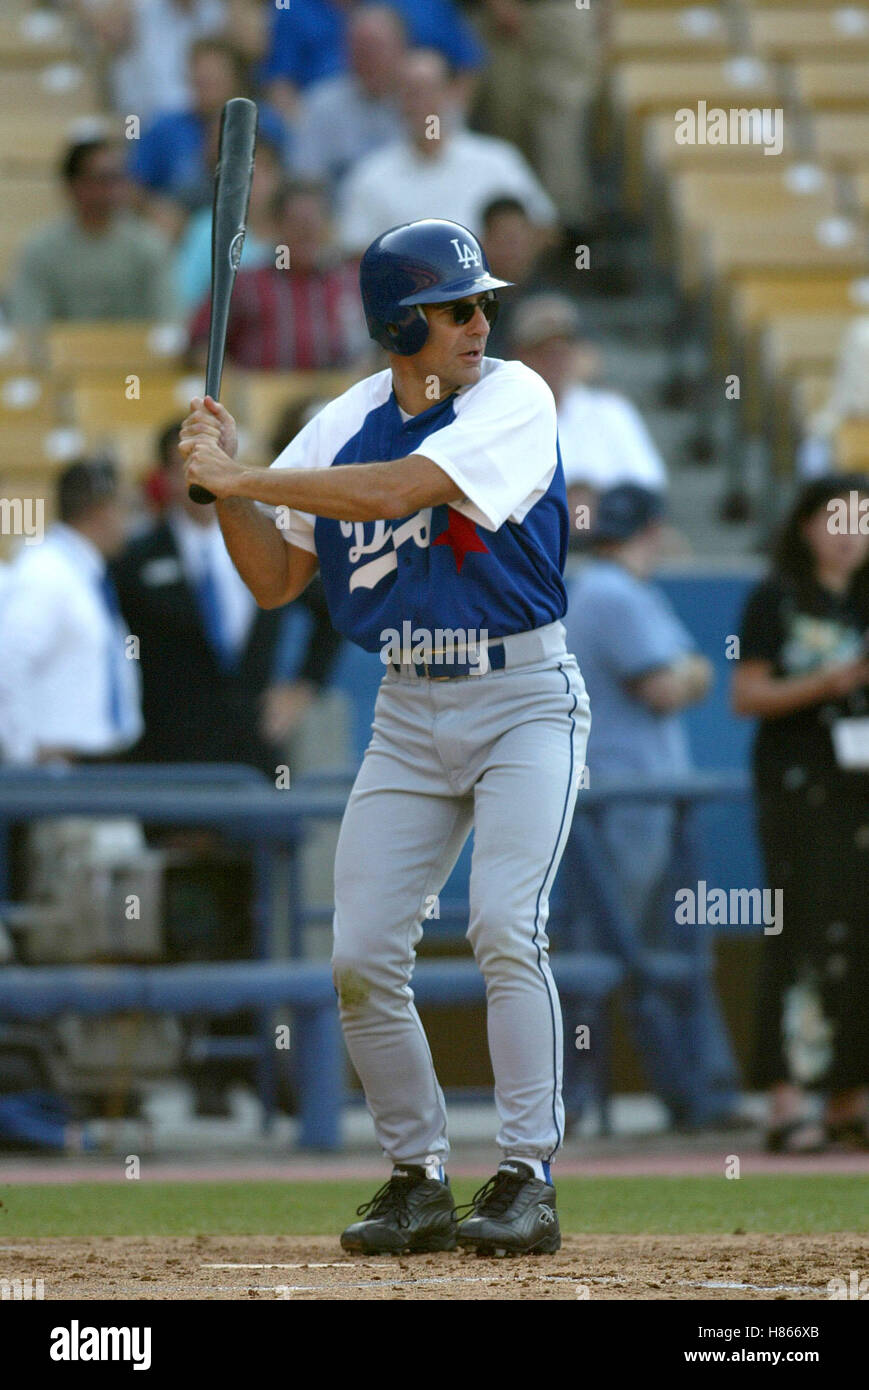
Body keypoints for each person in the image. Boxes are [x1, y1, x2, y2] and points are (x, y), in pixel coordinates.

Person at [179, 217, 590, 1256]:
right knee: (359, 953)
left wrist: (246, 480)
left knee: (504, 923)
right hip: (406, 710)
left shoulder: (512, 394)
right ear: (399, 323)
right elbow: (275, 580)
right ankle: (414, 1176)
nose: (478, 322)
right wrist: (218, 480)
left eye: (480, 302)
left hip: (522, 695)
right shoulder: (342, 422)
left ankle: (526, 1173)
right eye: (456, 307)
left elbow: (404, 490)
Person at [562, 486, 738, 1125]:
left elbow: (685, 675)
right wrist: (693, 672)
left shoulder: (622, 588)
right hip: (622, 803)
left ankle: (696, 1095)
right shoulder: (611, 591)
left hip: (648, 800)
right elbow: (669, 685)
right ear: (655, 530)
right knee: (610, 956)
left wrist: (690, 672)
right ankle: (572, 1101)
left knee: (658, 957)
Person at [732, 474, 869, 1152]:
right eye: (837, 520)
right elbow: (747, 694)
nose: (851, 537)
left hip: (860, 791)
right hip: (796, 785)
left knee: (861, 934)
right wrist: (833, 680)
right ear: (808, 525)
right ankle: (785, 1098)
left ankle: (849, 1094)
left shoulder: (864, 602)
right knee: (796, 931)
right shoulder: (775, 598)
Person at [113, 419, 342, 774]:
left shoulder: (267, 545)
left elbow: (330, 608)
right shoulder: (135, 559)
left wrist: (302, 687)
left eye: (217, 460)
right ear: (166, 477)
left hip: (255, 750)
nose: (205, 474)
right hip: (170, 757)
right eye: (190, 463)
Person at [336, 49, 557, 258]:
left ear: (450, 94)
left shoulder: (498, 159)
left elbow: (545, 229)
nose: (420, 104)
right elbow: (354, 249)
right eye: (410, 93)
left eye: (428, 91)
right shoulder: (370, 175)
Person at [0, 458, 142, 765]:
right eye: (125, 508)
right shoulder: (46, 571)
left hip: (98, 761)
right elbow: (7, 660)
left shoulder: (85, 573)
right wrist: (23, 754)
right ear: (101, 510)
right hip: (60, 768)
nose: (130, 522)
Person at [188, 178, 371, 370]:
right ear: (275, 228)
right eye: (296, 223)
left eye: (315, 222)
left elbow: (382, 349)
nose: (307, 232)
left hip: (339, 394)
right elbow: (200, 345)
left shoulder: (352, 283)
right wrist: (237, 385)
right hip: (261, 395)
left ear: (329, 227)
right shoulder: (245, 284)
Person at [6, 138, 177, 327]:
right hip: (62, 354)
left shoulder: (148, 244)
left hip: (135, 354)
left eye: (119, 177)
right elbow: (28, 322)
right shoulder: (41, 249)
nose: (114, 189)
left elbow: (169, 319)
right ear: (74, 185)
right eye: (103, 179)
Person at [128, 38, 287, 216]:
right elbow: (134, 186)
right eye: (200, 78)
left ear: (236, 78)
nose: (205, 83)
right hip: (181, 222)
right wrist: (155, 209)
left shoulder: (264, 122)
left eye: (214, 77)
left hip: (251, 216)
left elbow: (281, 183)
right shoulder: (165, 128)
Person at [259, 0, 486, 120]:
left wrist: (447, 118)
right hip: (334, 117)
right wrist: (311, 128)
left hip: (406, 108)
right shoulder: (289, 5)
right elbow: (279, 83)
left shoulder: (424, 4)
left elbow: (467, 64)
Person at [291, 6, 407, 192]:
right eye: (359, 50)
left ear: (401, 49)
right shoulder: (320, 105)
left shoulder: (425, 101)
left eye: (376, 49)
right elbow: (306, 180)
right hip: (339, 215)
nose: (368, 59)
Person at [172, 133, 284, 314]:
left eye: (264, 169)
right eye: (244, 170)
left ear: (278, 176)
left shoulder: (292, 231)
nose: (255, 178)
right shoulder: (208, 229)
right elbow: (185, 298)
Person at [75, 0, 227, 126]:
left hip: (198, 122)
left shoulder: (218, 12)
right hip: (138, 121)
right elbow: (103, 32)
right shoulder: (138, 9)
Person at [479, 196, 561, 360]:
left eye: (519, 238)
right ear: (484, 242)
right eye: (506, 238)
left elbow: (588, 357)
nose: (514, 248)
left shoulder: (549, 292)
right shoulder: (471, 302)